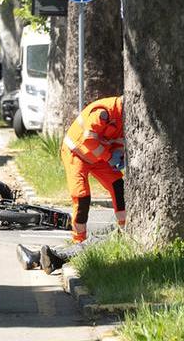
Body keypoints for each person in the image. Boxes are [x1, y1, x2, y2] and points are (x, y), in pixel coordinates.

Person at [17, 95, 126, 274]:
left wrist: (119, 155)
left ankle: (125, 227)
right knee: (81, 196)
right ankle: (78, 241)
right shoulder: (104, 113)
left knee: (118, 187)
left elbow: (117, 142)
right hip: (77, 154)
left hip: (100, 159)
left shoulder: (127, 117)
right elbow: (89, 140)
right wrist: (109, 157)